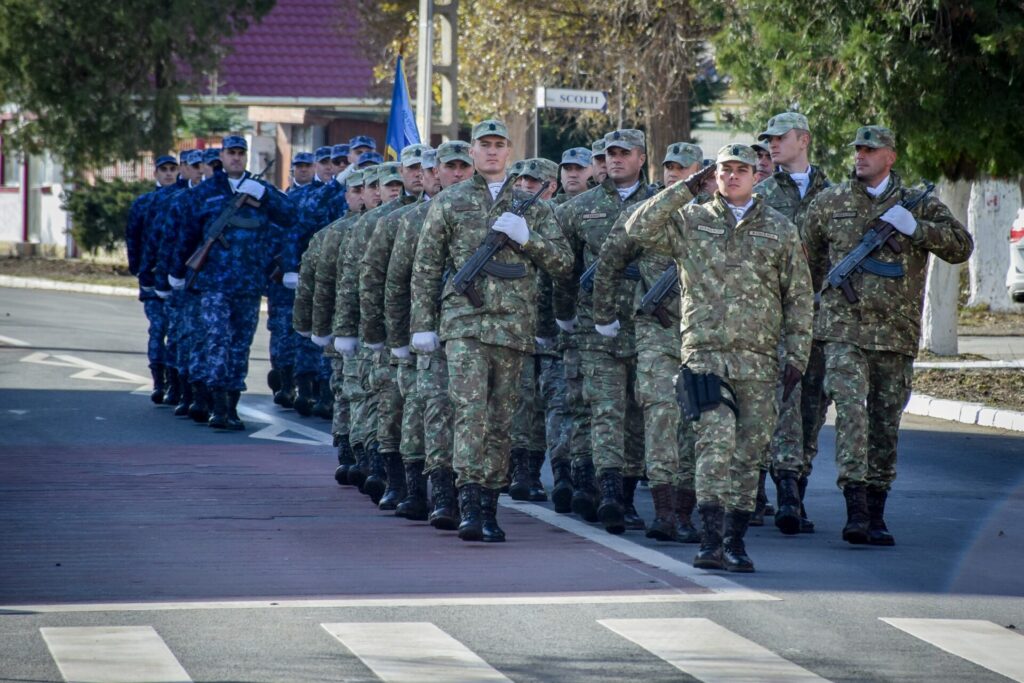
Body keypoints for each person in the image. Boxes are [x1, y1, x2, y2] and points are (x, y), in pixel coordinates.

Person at [624, 143, 813, 572]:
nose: (732, 176)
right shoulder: (692, 220)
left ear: (756, 176)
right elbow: (637, 228)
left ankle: (734, 541)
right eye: (725, 169)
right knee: (713, 445)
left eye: (741, 170)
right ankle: (710, 540)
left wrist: (797, 356)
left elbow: (799, 297)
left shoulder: (779, 228)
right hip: (705, 356)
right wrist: (686, 188)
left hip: (759, 361)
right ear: (714, 175)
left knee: (748, 454)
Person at [802, 125, 973, 546]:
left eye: (870, 149)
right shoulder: (830, 202)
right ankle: (855, 509)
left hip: (895, 335)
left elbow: (961, 247)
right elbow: (806, 259)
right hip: (843, 332)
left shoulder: (918, 204)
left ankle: (876, 511)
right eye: (857, 148)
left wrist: (917, 229)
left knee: (884, 422)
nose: (860, 155)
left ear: (890, 156)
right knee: (851, 413)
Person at [410, 119, 572, 542]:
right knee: (470, 412)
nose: (492, 151)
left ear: (509, 152)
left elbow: (563, 264)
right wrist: (422, 326)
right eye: (485, 145)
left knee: (502, 420)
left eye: (500, 145)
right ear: (473, 151)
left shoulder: (531, 205)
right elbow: (426, 267)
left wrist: (528, 238)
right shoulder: (450, 201)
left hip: (513, 327)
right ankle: (467, 502)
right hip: (463, 325)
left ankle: (488, 505)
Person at [593, 144, 709, 544]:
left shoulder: (713, 216)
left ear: (699, 172)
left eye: (683, 168)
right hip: (655, 331)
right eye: (669, 167)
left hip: (702, 333)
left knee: (695, 420)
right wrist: (604, 316)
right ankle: (663, 511)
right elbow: (609, 260)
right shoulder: (646, 213)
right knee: (660, 414)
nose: (674, 174)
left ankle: (685, 511)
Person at [553, 129, 653, 535]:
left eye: (624, 153)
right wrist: (562, 316)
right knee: (605, 409)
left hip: (649, 324)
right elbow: (563, 268)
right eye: (610, 153)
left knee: (637, 415)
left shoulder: (661, 204)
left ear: (641, 158)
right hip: (597, 328)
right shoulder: (581, 207)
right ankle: (608, 492)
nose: (615, 159)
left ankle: (626, 494)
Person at [169, 135, 294, 430]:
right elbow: (187, 234)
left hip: (249, 284)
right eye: (231, 153)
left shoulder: (260, 189)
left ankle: (232, 404)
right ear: (222, 157)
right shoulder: (206, 192)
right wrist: (175, 272)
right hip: (214, 284)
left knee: (240, 345)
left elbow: (290, 216)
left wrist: (265, 196)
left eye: (241, 153)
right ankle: (217, 404)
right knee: (217, 340)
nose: (236, 158)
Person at [385, 142, 473, 527]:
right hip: (430, 330)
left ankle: (469, 492)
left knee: (471, 413)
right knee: (433, 408)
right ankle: (437, 494)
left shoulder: (487, 212)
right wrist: (400, 336)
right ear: (434, 172)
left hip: (473, 330)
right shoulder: (415, 218)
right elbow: (396, 281)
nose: (457, 173)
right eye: (450, 167)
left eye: (463, 166)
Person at [755, 111, 832, 534]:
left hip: (822, 320)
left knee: (812, 408)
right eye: (768, 139)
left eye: (780, 137)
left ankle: (797, 493)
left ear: (803, 140)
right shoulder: (761, 195)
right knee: (781, 402)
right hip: (775, 319)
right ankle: (774, 491)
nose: (772, 144)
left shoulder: (835, 196)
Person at [333, 162, 415, 503]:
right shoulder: (372, 224)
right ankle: (374, 463)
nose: (394, 189)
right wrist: (350, 330)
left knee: (406, 402)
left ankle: (403, 475)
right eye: (389, 184)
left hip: (415, 325)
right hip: (379, 325)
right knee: (373, 396)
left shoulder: (425, 213)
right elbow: (353, 281)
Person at [359, 144, 431, 510]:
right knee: (393, 408)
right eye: (413, 167)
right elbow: (374, 280)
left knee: (426, 410)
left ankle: (425, 488)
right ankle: (394, 480)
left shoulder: (453, 210)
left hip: (438, 329)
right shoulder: (388, 220)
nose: (419, 174)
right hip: (397, 330)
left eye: (425, 167)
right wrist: (377, 333)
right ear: (401, 173)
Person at [125, 153, 180, 403]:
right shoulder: (144, 203)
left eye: (172, 169)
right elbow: (133, 237)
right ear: (156, 173)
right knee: (158, 329)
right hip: (151, 275)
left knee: (177, 330)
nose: (168, 173)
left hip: (175, 277)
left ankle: (175, 381)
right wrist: (138, 268)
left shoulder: (184, 199)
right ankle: (159, 380)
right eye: (164, 169)